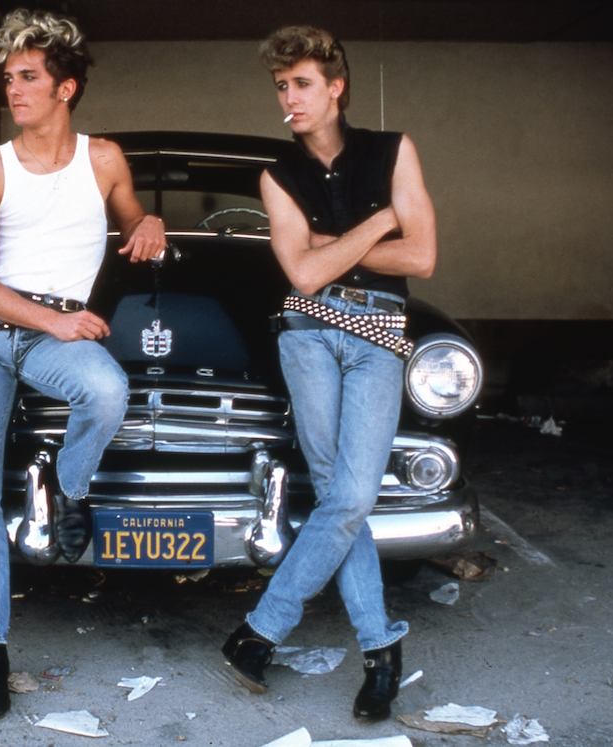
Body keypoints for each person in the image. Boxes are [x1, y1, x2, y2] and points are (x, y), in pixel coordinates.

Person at [0, 8, 166, 721]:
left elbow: (131, 218)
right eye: (9, 78)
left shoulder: (103, 160)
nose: (14, 90)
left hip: (50, 333)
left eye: (29, 77)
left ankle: (71, 486)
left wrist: (148, 223)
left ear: (65, 88)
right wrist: (57, 320)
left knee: (107, 388)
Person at [221, 26, 436, 721]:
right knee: (345, 499)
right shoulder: (278, 175)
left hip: (377, 335)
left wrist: (331, 244)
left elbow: (425, 256)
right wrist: (379, 226)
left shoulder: (393, 150)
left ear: (336, 87)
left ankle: (259, 631)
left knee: (348, 497)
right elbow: (304, 272)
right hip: (308, 334)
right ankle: (381, 654)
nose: (289, 99)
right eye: (281, 87)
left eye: (303, 84)